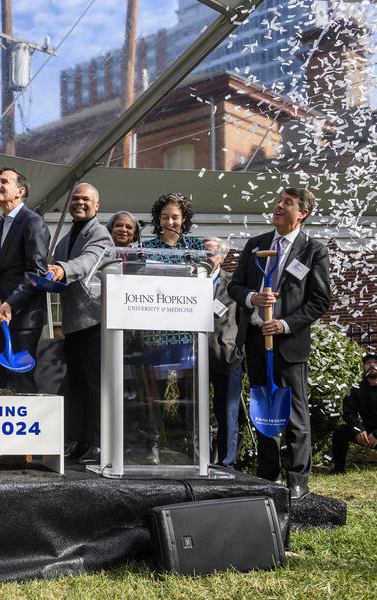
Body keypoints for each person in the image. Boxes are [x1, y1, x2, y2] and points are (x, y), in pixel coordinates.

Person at [227, 187, 331, 500]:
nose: (279, 206)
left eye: (288, 203)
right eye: (278, 201)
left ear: (302, 213)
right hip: (257, 340)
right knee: (264, 409)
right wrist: (251, 297)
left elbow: (319, 300)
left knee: (295, 413)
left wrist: (284, 324)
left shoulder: (313, 250)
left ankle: (298, 480)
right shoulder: (256, 244)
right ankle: (268, 474)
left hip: (288, 344)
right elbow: (235, 286)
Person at [47, 183, 112, 463]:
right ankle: (78, 440)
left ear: (96, 205)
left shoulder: (100, 233)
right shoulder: (66, 236)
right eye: (75, 199)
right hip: (73, 324)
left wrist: (61, 269)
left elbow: (87, 262)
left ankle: (98, 444)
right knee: (75, 387)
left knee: (95, 387)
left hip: (93, 323)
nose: (79, 203)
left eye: (85, 199)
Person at [137, 193, 204, 464]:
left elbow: (205, 277)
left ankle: (189, 442)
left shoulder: (195, 246)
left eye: (175, 216)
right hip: (155, 330)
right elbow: (137, 279)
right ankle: (152, 441)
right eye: (165, 217)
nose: (170, 221)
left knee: (186, 387)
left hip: (186, 331)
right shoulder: (146, 247)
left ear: (184, 219)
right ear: (157, 219)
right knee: (154, 388)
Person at [0, 167, 50, 393]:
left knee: (20, 380)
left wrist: (11, 304)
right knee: (3, 381)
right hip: (4, 313)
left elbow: (36, 272)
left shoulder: (33, 222)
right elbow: (11, 262)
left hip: (23, 315)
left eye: (4, 182)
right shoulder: (5, 222)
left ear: (20, 191)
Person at [203, 236, 244, 468]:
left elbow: (244, 318)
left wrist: (239, 351)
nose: (207, 257)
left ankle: (227, 462)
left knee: (227, 412)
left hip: (227, 356)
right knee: (199, 414)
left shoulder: (234, 283)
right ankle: (204, 460)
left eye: (212, 253)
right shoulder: (191, 281)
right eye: (204, 253)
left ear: (222, 255)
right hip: (197, 356)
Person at [330, 353, 377, 474]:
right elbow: (348, 413)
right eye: (368, 363)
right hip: (366, 432)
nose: (372, 365)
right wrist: (358, 429)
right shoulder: (357, 388)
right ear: (364, 367)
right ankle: (338, 469)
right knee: (341, 431)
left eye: (375, 362)